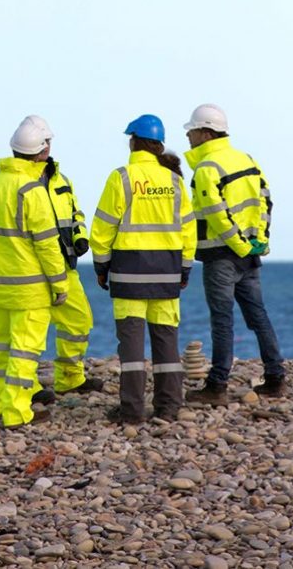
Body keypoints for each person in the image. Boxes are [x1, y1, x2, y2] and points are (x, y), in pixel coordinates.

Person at [91, 114, 196, 424]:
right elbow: (188, 230)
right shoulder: (175, 181)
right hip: (167, 273)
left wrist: (101, 266)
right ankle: (169, 407)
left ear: (133, 142)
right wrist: (185, 269)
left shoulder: (121, 177)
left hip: (128, 273)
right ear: (159, 145)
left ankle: (132, 411)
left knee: (132, 348)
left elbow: (103, 228)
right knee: (166, 343)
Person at [182, 104, 285, 405]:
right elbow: (265, 200)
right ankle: (276, 378)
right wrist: (259, 241)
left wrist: (238, 245)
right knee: (258, 315)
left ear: (204, 132)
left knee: (222, 320)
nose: (188, 138)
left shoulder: (206, 169)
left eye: (191, 132)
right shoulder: (246, 159)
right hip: (250, 254)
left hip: (221, 256)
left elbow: (216, 214)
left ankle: (216, 386)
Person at [0, 115, 69, 428]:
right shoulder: (32, 191)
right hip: (30, 289)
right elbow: (48, 246)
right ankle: (16, 413)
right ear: (43, 150)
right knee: (25, 352)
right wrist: (60, 283)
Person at [31, 117, 104, 403]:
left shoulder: (61, 180)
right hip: (33, 269)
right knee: (30, 332)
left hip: (64, 265)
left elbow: (76, 213)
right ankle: (25, 385)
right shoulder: (21, 182)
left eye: (48, 141)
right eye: (42, 142)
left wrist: (80, 236)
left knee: (79, 321)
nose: (46, 147)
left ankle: (70, 378)